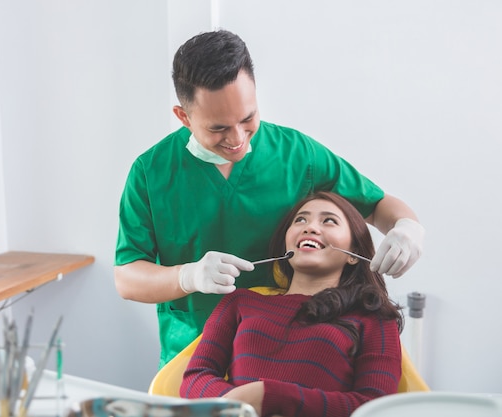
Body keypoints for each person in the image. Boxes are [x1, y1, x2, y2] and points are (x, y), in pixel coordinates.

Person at [114, 29, 423, 368]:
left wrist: (407, 229)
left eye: (248, 119)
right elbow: (128, 277)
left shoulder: (296, 154)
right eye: (218, 128)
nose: (238, 139)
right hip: (190, 356)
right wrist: (186, 277)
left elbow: (378, 205)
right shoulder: (151, 172)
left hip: (285, 353)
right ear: (183, 116)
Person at [180, 191, 404, 417]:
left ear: (353, 254)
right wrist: (241, 407)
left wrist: (270, 396)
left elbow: (376, 407)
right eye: (301, 220)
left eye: (329, 221)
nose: (310, 228)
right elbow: (195, 378)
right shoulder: (239, 302)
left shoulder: (374, 317)